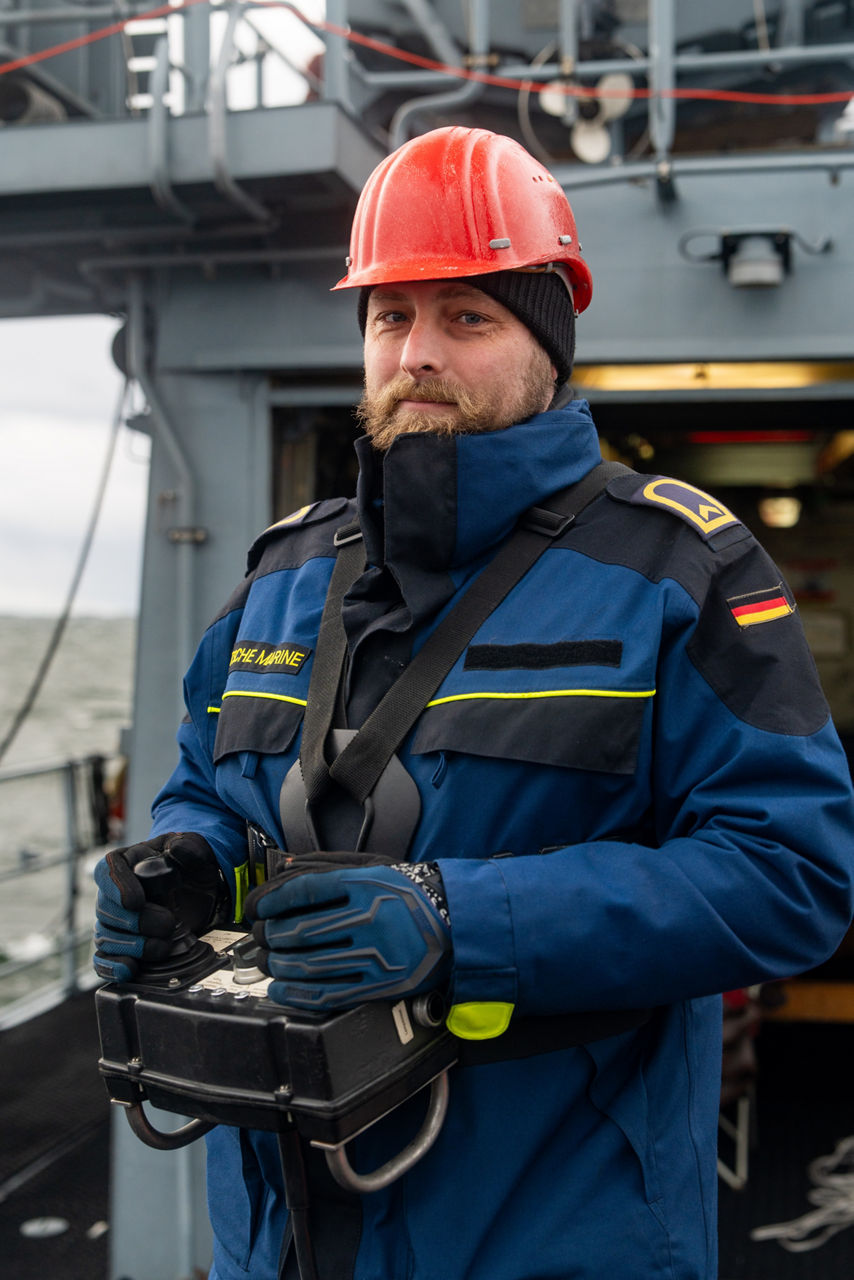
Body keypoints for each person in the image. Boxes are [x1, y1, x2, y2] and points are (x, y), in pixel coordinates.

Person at [93, 126, 854, 1280]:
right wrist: (192, 868)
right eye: (391, 316)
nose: (417, 352)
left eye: (467, 315)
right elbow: (210, 783)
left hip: (554, 1227)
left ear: (545, 343)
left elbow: (790, 872)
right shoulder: (282, 574)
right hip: (278, 1230)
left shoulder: (677, 569)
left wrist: (461, 922)